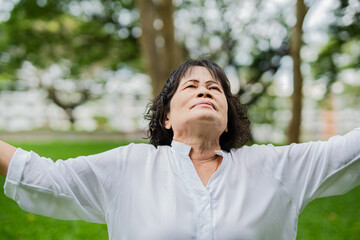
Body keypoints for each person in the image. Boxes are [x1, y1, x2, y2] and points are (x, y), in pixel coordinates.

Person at [1, 59, 360, 240]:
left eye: (215, 88)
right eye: (191, 86)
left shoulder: (275, 166)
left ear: (228, 117)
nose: (205, 90)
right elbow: (39, 174)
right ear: (167, 117)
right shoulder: (129, 165)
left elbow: (350, 151)